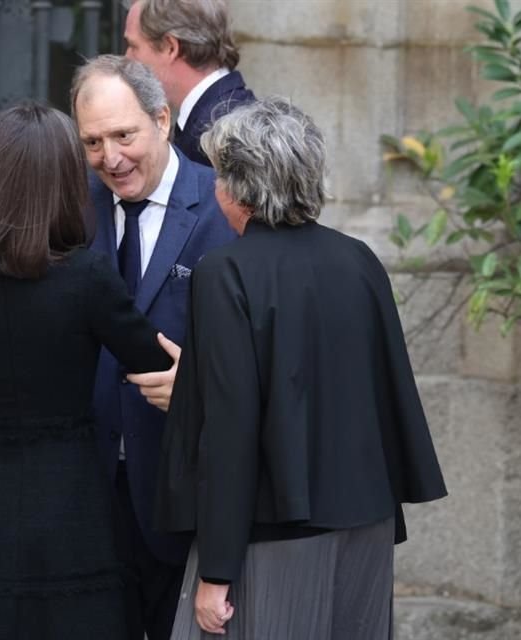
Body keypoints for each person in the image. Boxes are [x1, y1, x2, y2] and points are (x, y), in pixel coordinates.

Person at [0, 56, 236, 640]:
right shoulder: (75, 223)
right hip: (80, 504)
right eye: (92, 143)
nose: (110, 158)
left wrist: (199, 381)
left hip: (164, 494)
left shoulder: (225, 207)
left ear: (162, 120)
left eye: (123, 136)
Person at [155, 99, 449, 639]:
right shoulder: (359, 259)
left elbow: (229, 428)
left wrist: (215, 572)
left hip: (273, 536)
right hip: (367, 522)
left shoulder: (225, 271)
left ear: (238, 188)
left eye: (219, 175)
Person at [123, 0, 255, 167]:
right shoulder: (224, 116)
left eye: (133, 46)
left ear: (170, 47)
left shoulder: (219, 138)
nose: (127, 57)